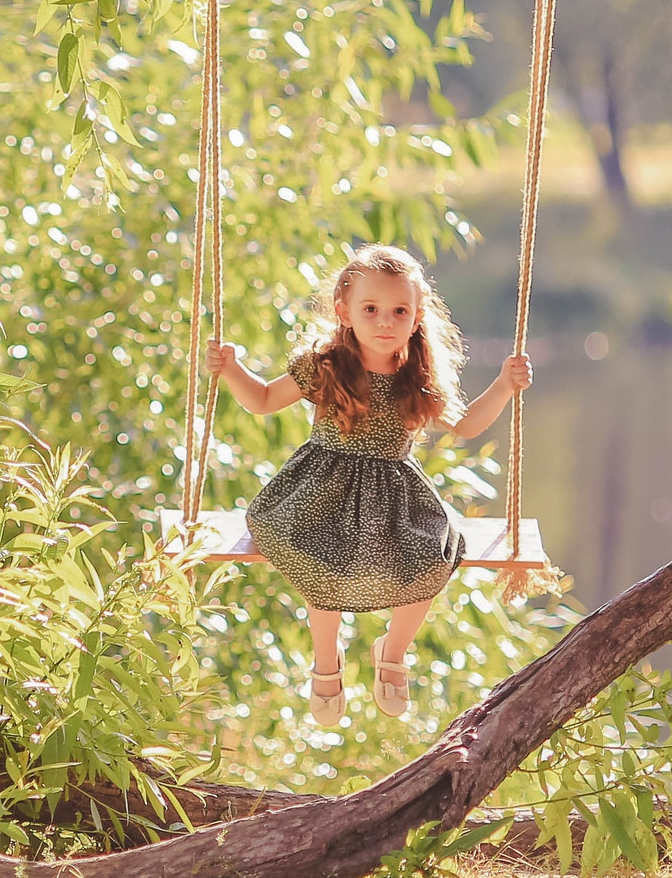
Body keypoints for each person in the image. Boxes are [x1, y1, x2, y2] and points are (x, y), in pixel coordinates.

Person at [206, 245, 532, 727]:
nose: (385, 321)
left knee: (435, 555)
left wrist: (504, 386)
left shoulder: (415, 375)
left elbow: (463, 426)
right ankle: (325, 659)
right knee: (320, 555)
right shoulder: (325, 365)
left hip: (394, 493)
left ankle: (393, 650)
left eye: (399, 311)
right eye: (371, 310)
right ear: (344, 311)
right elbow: (263, 399)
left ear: (417, 316)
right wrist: (231, 370)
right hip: (322, 485)